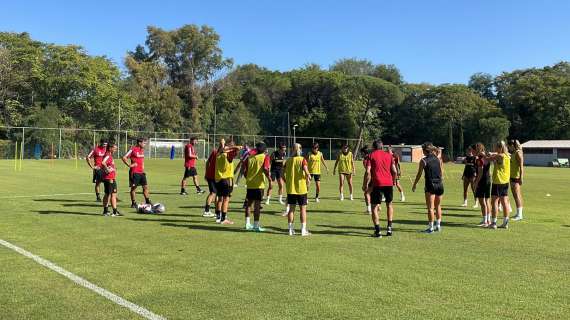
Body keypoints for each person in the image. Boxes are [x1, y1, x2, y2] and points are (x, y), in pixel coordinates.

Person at [364, 140, 397, 238]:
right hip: (389, 183)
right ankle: (389, 229)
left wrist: (366, 184)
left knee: (374, 207)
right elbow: (394, 171)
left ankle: (378, 231)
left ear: (374, 147)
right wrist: (393, 181)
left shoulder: (371, 155)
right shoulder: (389, 156)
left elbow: (367, 171)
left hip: (377, 183)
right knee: (389, 205)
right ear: (382, 147)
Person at [412, 142, 444, 233]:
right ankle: (438, 225)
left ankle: (431, 228)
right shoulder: (438, 159)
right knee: (438, 206)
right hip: (440, 184)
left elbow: (419, 174)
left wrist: (414, 184)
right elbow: (441, 173)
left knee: (430, 207)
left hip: (430, 185)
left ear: (424, 151)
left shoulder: (423, 161)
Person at [284, 143, 312, 236]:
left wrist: (287, 181)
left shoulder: (288, 160)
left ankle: (290, 230)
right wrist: (308, 175)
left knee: (291, 209)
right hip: (301, 189)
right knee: (302, 209)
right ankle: (303, 231)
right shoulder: (302, 159)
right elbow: (305, 169)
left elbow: (281, 173)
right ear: (299, 149)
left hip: (291, 189)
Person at [244, 142, 272, 231]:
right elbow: (265, 169)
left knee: (248, 204)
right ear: (264, 149)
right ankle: (256, 225)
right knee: (257, 205)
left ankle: (247, 224)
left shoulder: (250, 158)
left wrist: (248, 178)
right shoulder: (265, 157)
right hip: (259, 185)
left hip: (250, 184)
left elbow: (245, 170)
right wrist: (270, 179)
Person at [214, 139, 242, 224]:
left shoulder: (219, 154)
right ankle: (223, 219)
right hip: (227, 179)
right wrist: (235, 147)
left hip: (218, 179)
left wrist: (224, 145)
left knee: (220, 198)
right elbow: (234, 151)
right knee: (226, 199)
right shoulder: (227, 155)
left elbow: (223, 149)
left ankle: (218, 217)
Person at [488, 141, 511, 229]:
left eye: (496, 147)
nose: (494, 149)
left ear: (499, 148)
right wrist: (493, 153)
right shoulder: (507, 155)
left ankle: (493, 223)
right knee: (504, 202)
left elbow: (488, 159)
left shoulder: (499, 156)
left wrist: (484, 155)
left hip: (498, 181)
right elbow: (497, 154)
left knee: (494, 202)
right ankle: (505, 222)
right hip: (505, 181)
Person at [121, 138, 151, 208]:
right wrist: (129, 165)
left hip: (141, 172)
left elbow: (142, 160)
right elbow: (124, 157)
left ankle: (147, 201)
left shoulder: (142, 150)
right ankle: (133, 203)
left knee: (145, 187)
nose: (145, 144)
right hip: (134, 172)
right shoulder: (132, 149)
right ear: (139, 143)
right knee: (134, 188)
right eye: (144, 143)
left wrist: (143, 168)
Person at [473, 143, 491, 226]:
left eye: (474, 150)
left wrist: (476, 182)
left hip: (482, 181)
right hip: (488, 180)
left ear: (477, 149)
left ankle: (485, 221)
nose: (473, 152)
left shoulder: (479, 159)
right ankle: (488, 220)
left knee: (482, 201)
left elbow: (480, 172)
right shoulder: (486, 157)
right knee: (487, 201)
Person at [101, 142, 121, 217]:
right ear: (110, 148)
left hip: (111, 178)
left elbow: (106, 164)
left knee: (111, 194)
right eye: (114, 148)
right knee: (109, 194)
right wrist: (107, 169)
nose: (116, 149)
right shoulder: (108, 155)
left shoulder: (109, 156)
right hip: (109, 178)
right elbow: (103, 163)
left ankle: (109, 211)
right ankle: (111, 211)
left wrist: (113, 168)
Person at [508, 139, 524, 221]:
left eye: (509, 146)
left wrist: (521, 178)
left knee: (517, 195)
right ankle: (518, 213)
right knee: (515, 195)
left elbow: (521, 166)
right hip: (512, 177)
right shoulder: (513, 153)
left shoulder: (518, 153)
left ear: (513, 146)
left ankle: (520, 215)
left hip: (516, 177)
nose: (508, 148)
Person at [202, 147, 218, 218]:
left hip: (213, 176)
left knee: (216, 194)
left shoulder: (215, 151)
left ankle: (217, 212)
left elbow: (208, 162)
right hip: (213, 176)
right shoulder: (218, 152)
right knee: (213, 193)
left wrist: (206, 172)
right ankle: (206, 211)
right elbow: (208, 162)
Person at [360, 146, 372, 214]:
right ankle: (378, 207)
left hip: (371, 178)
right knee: (373, 193)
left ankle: (369, 210)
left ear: (364, 153)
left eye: (361, 153)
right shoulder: (372, 157)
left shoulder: (366, 160)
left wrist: (366, 183)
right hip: (377, 177)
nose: (361, 154)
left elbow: (368, 172)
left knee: (366, 193)